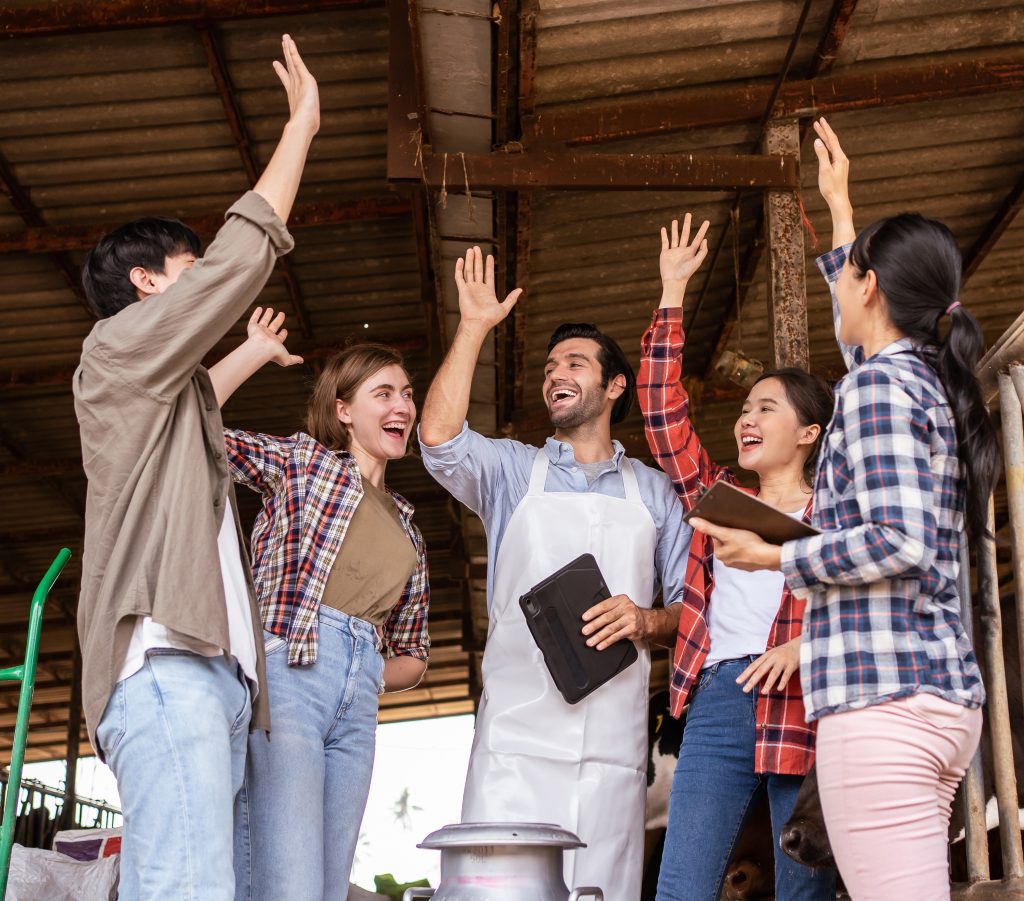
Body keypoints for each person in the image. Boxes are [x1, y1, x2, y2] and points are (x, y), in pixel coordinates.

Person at [692, 118, 999, 901]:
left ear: (873, 288)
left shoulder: (874, 388)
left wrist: (777, 557)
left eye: (849, 274)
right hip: (933, 696)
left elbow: (898, 538)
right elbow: (858, 338)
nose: (840, 287)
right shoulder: (921, 378)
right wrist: (840, 209)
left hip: (881, 701)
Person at [74, 36, 318, 901]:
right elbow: (238, 259)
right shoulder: (113, 351)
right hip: (166, 666)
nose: (202, 287)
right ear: (147, 285)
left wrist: (248, 354)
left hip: (204, 675)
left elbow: (195, 403)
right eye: (185, 276)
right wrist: (303, 126)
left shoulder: (153, 393)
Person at [418, 247, 692, 900]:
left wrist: (646, 618)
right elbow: (436, 437)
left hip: (610, 757)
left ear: (615, 385)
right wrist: (474, 326)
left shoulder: (657, 492)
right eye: (548, 367)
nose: (555, 373)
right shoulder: (512, 470)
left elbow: (695, 608)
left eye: (574, 363)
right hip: (514, 746)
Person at [638, 215, 837, 901]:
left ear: (809, 432)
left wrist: (807, 648)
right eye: (745, 408)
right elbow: (664, 416)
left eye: (768, 409)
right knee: (683, 885)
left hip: (808, 697)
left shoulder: (836, 515)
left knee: (804, 886)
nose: (747, 418)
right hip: (721, 693)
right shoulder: (716, 497)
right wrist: (671, 293)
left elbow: (872, 600)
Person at [207, 315, 431, 901]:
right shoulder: (303, 464)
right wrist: (254, 351)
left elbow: (414, 652)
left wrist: (368, 670)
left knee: (330, 885)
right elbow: (197, 426)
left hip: (358, 703)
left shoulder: (410, 528)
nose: (402, 405)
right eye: (383, 393)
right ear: (343, 411)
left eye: (406, 393)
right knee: (289, 880)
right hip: (292, 678)